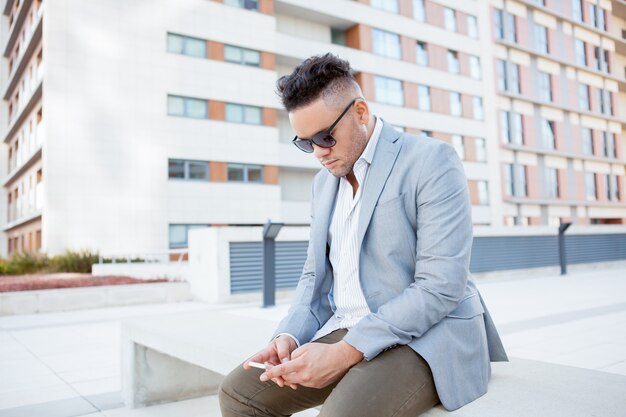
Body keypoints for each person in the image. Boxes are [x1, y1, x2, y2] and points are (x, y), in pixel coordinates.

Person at [219, 53, 508, 417]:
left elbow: (441, 286)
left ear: (359, 112)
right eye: (306, 142)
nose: (319, 153)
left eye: (326, 137)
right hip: (348, 327)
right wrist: (287, 337)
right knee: (238, 394)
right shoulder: (323, 183)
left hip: (427, 337)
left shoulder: (431, 161)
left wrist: (345, 352)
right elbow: (314, 278)